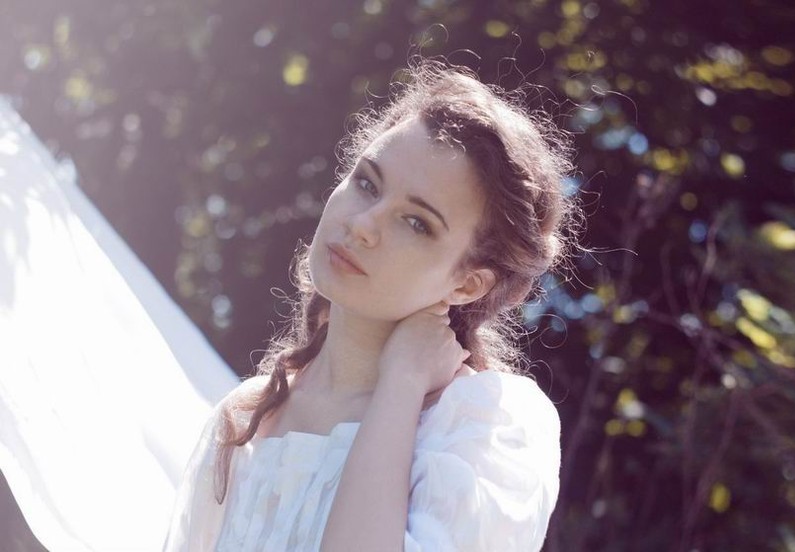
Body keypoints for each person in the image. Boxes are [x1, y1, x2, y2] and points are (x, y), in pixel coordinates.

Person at [163, 58, 577, 551]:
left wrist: (402, 383)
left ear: (467, 284)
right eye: (367, 183)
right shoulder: (247, 414)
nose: (362, 224)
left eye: (416, 223)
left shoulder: (483, 428)